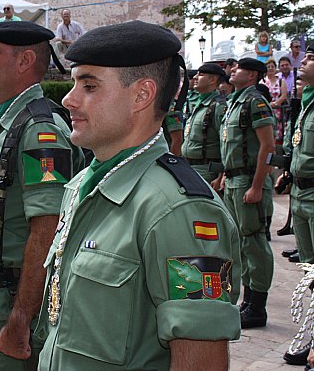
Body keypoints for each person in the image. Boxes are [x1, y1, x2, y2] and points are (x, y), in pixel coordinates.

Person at [36, 20, 241, 370]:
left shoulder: (177, 209)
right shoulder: (83, 184)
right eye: (74, 84)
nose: (69, 99)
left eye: (89, 86)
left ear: (142, 95)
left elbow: (200, 359)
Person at [0, 21, 84, 370]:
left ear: (24, 61)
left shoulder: (38, 129)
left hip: (8, 303)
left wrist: (22, 316)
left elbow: (47, 228)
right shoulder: (5, 124)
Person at [222, 57, 275, 329]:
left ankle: (258, 306)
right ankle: (248, 300)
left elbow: (268, 146)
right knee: (241, 243)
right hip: (233, 181)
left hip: (247, 180)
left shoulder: (255, 102)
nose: (234, 70)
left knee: (254, 241)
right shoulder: (235, 102)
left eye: (240, 68)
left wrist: (256, 185)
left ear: (252, 75)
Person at [279, 42, 314, 367]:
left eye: (312, 58)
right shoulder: (307, 103)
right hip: (302, 194)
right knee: (310, 271)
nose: (303, 62)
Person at [181, 63, 227, 186]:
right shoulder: (199, 103)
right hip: (190, 167)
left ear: (212, 80)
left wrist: (221, 176)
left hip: (207, 170)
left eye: (201, 75)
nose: (195, 77)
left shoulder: (218, 106)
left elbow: (225, 142)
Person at [263, 58, 288, 147]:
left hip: (279, 110)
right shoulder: (262, 82)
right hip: (266, 110)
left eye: (272, 66)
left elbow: (284, 95)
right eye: (268, 67)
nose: (270, 68)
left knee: (279, 132)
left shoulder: (281, 81)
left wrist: (276, 103)